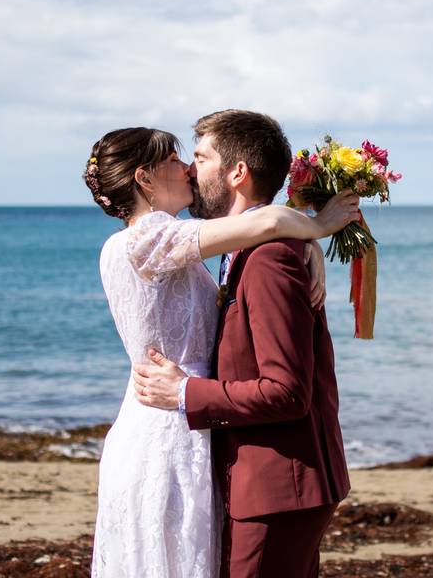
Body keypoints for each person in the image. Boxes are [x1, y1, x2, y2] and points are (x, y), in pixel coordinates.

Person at [83, 125, 359, 577]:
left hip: (189, 423)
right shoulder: (146, 240)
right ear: (144, 180)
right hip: (169, 429)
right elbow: (265, 221)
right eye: (175, 160)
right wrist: (317, 227)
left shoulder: (171, 243)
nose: (188, 168)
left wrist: (306, 244)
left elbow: (259, 230)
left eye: (194, 157)